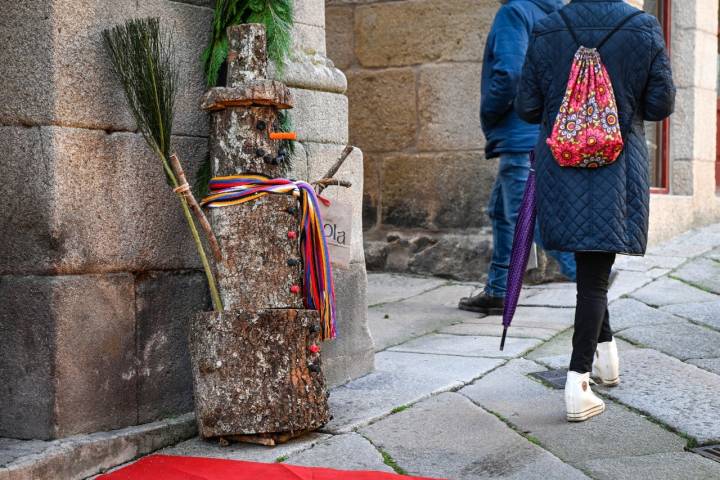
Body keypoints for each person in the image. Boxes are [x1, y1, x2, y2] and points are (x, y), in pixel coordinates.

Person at [515, 0, 675, 421]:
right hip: (618, 166)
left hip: (561, 164)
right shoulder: (643, 26)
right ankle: (578, 383)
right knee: (594, 279)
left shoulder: (548, 28)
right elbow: (660, 104)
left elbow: (527, 106)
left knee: (591, 272)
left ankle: (606, 358)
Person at [459, 0, 577, 316]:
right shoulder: (556, 15)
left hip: (520, 133)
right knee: (502, 211)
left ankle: (587, 272)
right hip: (545, 131)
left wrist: (490, 111)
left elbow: (509, 74)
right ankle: (498, 289)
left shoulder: (515, 12)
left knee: (529, 216)